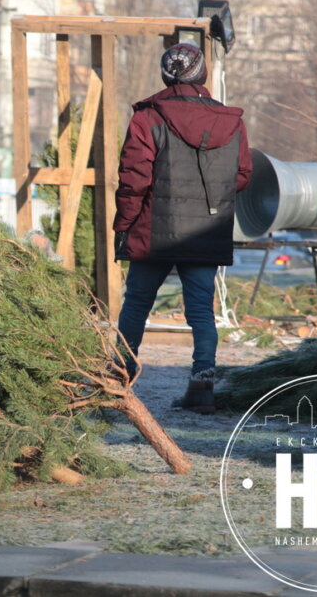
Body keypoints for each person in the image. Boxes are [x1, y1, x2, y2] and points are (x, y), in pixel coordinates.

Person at [113, 43, 252, 412]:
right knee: (202, 312)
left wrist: (124, 225)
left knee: (137, 304)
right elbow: (241, 176)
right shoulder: (232, 121)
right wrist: (210, 204)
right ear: (202, 74)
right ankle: (201, 387)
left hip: (151, 230)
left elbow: (133, 179)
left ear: (165, 76)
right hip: (206, 230)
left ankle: (117, 382)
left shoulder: (147, 118)